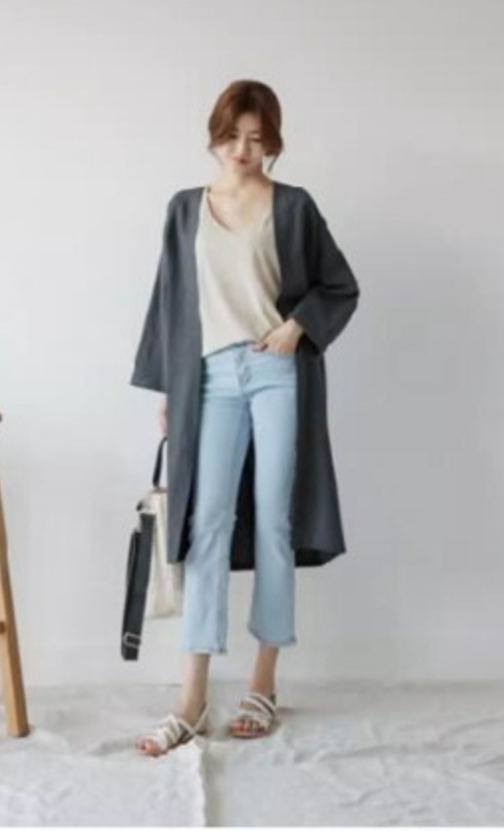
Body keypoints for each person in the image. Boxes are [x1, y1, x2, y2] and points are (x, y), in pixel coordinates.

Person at [132, 80, 359, 756]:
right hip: (208, 378)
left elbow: (339, 284)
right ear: (215, 135)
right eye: (233, 136)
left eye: (257, 140)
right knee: (206, 523)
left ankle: (263, 684)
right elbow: (169, 301)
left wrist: (296, 328)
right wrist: (167, 388)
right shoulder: (184, 209)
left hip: (275, 373)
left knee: (274, 521)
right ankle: (192, 698)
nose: (243, 150)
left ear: (273, 143)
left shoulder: (294, 206)